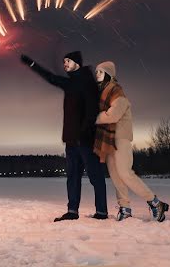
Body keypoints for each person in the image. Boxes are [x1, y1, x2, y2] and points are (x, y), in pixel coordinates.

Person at [21, 51, 108, 222]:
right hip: (71, 140)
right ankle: (72, 211)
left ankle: (102, 212)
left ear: (77, 63)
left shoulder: (87, 82)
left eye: (68, 61)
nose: (65, 64)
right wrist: (32, 64)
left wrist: (84, 132)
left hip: (86, 139)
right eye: (63, 62)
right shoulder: (70, 84)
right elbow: (51, 78)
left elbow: (92, 111)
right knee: (72, 177)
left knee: (95, 175)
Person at [93, 60, 170, 222]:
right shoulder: (101, 94)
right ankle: (125, 208)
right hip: (108, 140)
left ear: (108, 74)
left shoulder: (116, 93)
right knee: (115, 176)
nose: (96, 75)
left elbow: (113, 115)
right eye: (96, 72)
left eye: (100, 72)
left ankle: (155, 203)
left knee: (125, 173)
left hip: (120, 137)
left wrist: (94, 118)